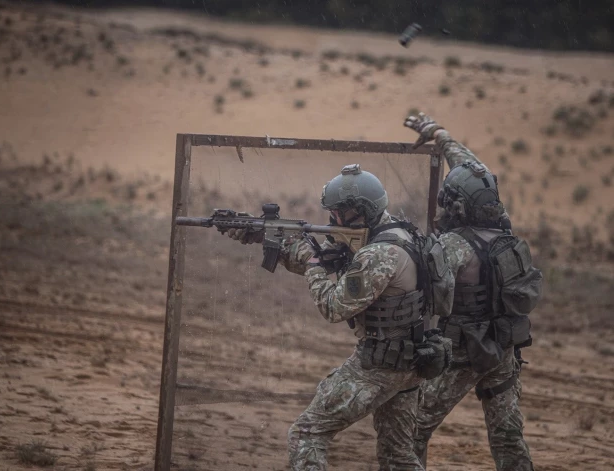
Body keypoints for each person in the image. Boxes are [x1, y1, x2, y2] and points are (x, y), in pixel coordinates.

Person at [227, 164, 450, 470]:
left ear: (358, 212)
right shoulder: (399, 232)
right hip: (411, 361)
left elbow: (333, 306)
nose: (332, 219)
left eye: (337, 213)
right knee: (397, 455)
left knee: (306, 434)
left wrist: (317, 268)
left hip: (380, 365)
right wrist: (267, 239)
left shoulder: (378, 254)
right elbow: (332, 258)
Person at [404, 112, 540, 471]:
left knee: (411, 431)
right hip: (504, 348)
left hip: (463, 354)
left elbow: (427, 292)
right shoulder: (503, 227)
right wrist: (440, 135)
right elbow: (471, 166)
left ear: (457, 205)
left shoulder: (452, 246)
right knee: (508, 437)